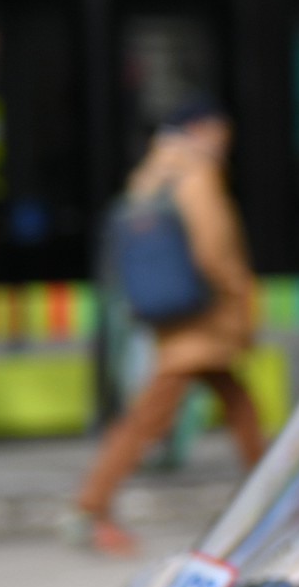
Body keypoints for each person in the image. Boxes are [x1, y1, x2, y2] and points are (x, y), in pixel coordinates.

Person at [71, 100, 266, 555]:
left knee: (239, 406)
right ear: (201, 129)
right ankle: (90, 508)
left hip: (172, 315)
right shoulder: (197, 175)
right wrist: (240, 296)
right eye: (219, 130)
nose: (224, 141)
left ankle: (275, 499)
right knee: (148, 419)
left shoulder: (152, 173)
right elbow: (215, 248)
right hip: (203, 317)